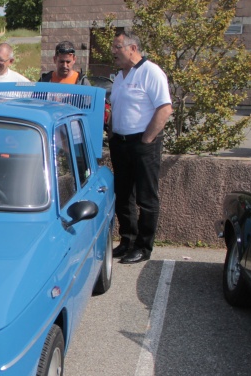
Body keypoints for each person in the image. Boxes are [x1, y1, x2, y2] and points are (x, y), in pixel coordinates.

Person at [108, 30, 173, 264]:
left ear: (132, 48)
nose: (113, 52)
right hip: (121, 143)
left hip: (143, 143)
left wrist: (147, 139)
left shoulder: (151, 72)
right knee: (123, 195)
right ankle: (127, 240)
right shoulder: (119, 76)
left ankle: (143, 247)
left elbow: (165, 108)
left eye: (118, 47)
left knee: (146, 197)